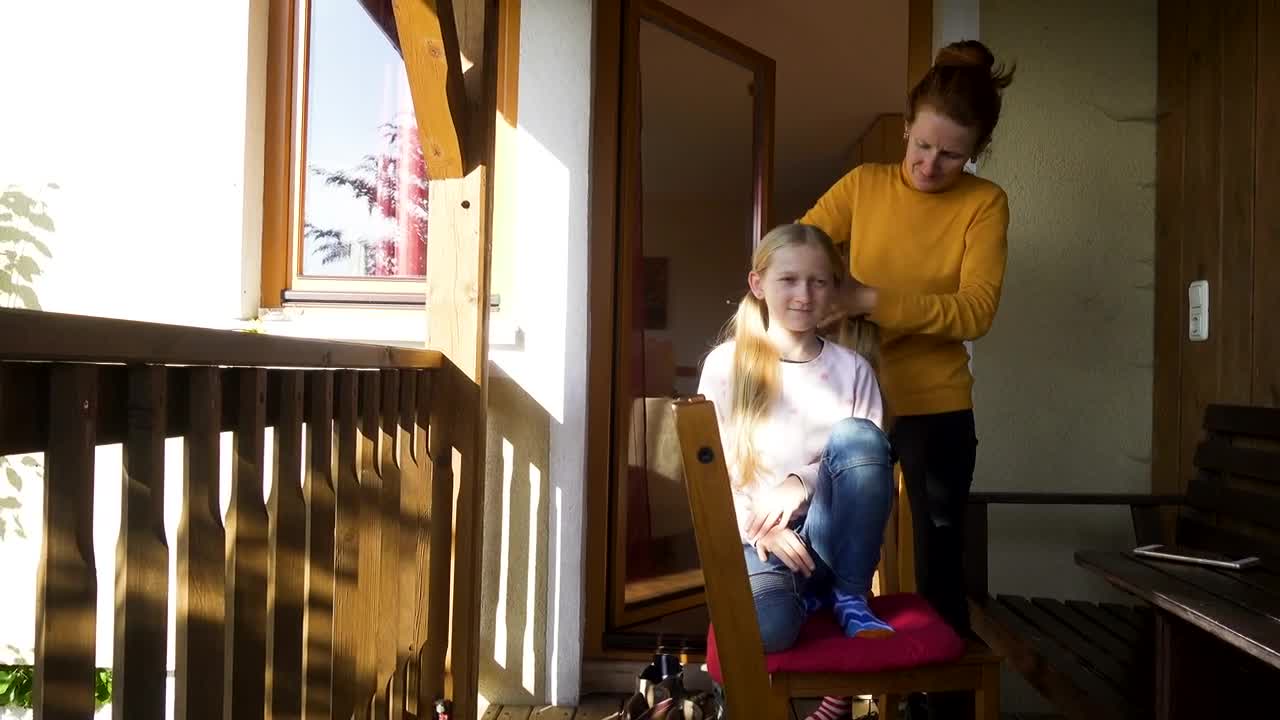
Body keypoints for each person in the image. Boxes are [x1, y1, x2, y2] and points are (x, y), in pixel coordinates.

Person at [799, 39, 1015, 718]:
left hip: (936, 406)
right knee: (830, 546)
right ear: (907, 126)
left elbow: (975, 311)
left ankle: (939, 709)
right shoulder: (864, 185)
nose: (929, 165)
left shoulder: (986, 204)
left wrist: (867, 299)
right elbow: (793, 245)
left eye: (952, 155)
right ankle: (832, 688)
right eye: (921, 146)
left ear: (975, 151)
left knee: (937, 566)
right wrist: (822, 291)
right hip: (850, 401)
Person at [697, 223, 895, 720]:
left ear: (834, 289)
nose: (804, 295)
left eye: (819, 281)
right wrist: (760, 528)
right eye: (789, 280)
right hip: (759, 539)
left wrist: (800, 482)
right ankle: (808, 600)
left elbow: (865, 466)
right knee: (770, 630)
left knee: (859, 437)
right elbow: (710, 476)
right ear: (758, 284)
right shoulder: (725, 366)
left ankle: (846, 598)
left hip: (836, 539)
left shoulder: (854, 370)